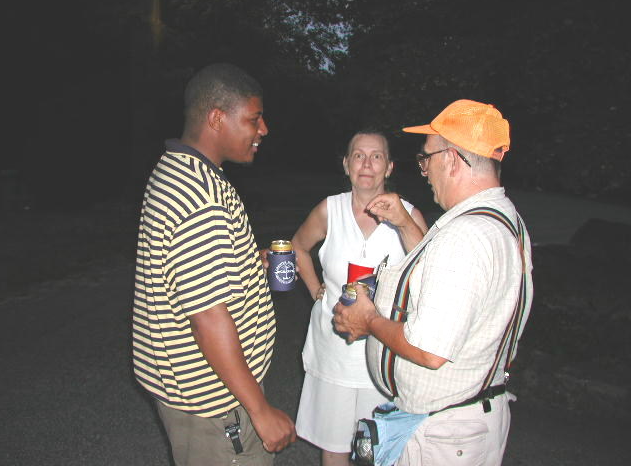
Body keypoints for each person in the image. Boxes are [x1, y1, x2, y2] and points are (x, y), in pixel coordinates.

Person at [334, 100, 533, 465]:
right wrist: (405, 225)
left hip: (445, 435)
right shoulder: (505, 220)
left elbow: (428, 350)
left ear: (452, 160)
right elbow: (443, 281)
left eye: (426, 159)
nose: (424, 171)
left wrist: (368, 320)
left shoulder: (465, 235)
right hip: (469, 418)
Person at [132, 63, 296, 466]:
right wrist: (259, 410)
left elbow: (188, 271)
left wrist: (246, 263)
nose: (264, 130)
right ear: (217, 118)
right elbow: (208, 317)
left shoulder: (175, 168)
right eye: (254, 119)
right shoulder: (201, 197)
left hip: (195, 390)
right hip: (218, 407)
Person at [292, 131, 428, 466]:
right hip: (333, 352)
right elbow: (297, 247)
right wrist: (315, 289)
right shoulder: (330, 209)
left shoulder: (408, 215)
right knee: (334, 447)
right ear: (346, 164)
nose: (367, 163)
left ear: (389, 166)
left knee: (380, 450)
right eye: (358, 155)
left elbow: (428, 274)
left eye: (376, 156)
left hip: (384, 356)